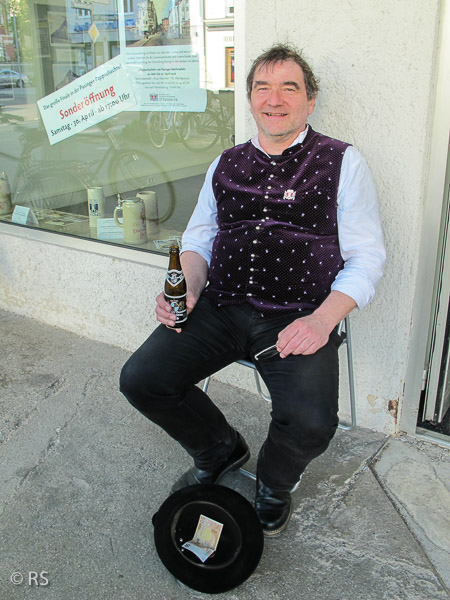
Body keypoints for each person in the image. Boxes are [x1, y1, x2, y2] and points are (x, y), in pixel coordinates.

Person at [120, 43, 385, 536]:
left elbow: (367, 258)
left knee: (312, 422)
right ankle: (219, 449)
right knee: (141, 379)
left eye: (289, 88)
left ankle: (275, 482)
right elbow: (199, 239)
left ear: (310, 101)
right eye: (263, 87)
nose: (274, 99)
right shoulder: (225, 162)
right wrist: (187, 288)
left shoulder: (343, 162)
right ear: (250, 99)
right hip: (220, 305)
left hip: (298, 313)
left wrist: (322, 320)